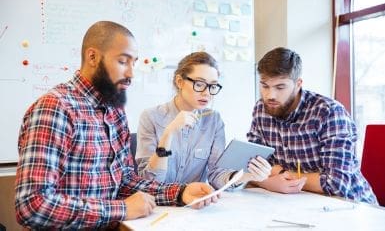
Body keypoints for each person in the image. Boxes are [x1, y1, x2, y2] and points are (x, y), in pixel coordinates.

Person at [15, 21, 221, 230]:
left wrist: (180, 192)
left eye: (134, 63)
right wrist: (122, 209)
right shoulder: (56, 108)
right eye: (123, 62)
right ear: (92, 57)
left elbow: (126, 182)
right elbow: (33, 205)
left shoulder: (116, 112)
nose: (131, 73)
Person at [247, 47, 377, 204]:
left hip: (349, 205)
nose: (270, 95)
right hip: (296, 202)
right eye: (264, 86)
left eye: (280, 87)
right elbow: (252, 165)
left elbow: (336, 183)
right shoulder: (262, 109)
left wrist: (280, 173)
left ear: (298, 84)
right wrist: (271, 179)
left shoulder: (329, 112)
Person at [136, 51, 272, 190]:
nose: (207, 93)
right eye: (200, 84)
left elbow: (216, 175)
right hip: (159, 204)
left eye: (213, 86)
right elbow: (148, 182)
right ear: (180, 82)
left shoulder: (213, 120)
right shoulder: (151, 117)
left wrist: (247, 176)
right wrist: (168, 134)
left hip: (195, 204)